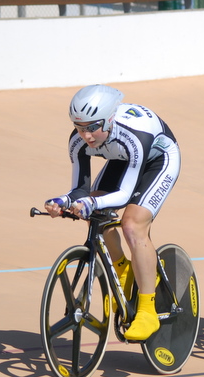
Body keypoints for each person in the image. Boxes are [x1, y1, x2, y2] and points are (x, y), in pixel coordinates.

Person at [44, 84, 181, 341]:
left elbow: (125, 195)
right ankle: (123, 267)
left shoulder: (132, 136)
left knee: (132, 224)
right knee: (94, 209)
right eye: (79, 126)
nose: (86, 136)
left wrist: (90, 203)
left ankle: (147, 310)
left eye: (92, 127)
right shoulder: (78, 140)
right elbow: (79, 189)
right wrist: (61, 201)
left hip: (159, 159)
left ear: (109, 120)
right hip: (122, 159)